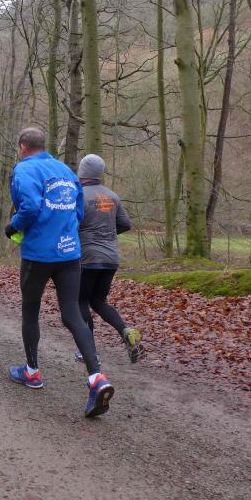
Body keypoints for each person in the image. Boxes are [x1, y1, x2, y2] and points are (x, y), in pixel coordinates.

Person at [5, 127, 114, 418]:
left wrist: (13, 226)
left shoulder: (24, 169)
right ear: (43, 145)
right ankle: (97, 378)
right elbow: (78, 212)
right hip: (69, 253)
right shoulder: (66, 170)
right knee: (72, 314)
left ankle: (32, 372)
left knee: (31, 311)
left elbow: (29, 207)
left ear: (23, 146)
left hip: (39, 254)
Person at [76, 154, 144, 363]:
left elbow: (71, 224)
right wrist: (107, 234)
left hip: (88, 257)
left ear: (82, 172)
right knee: (98, 301)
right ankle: (126, 331)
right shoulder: (112, 196)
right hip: (111, 257)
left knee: (81, 301)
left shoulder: (79, 195)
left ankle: (88, 351)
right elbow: (125, 224)